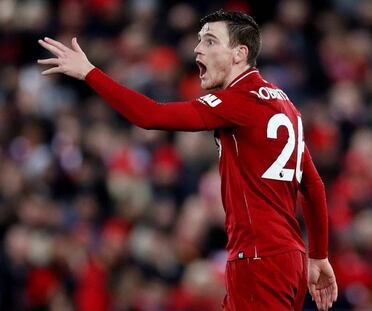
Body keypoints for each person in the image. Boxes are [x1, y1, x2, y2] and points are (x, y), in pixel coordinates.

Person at [38, 10, 337, 311]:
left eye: (209, 41)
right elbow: (312, 186)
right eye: (198, 41)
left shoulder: (238, 101)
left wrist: (89, 72)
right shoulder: (285, 105)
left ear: (239, 53)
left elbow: (150, 115)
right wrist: (318, 255)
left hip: (258, 259)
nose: (197, 49)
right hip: (288, 258)